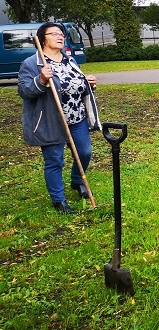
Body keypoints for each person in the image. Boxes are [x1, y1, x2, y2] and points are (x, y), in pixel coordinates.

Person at [17, 23, 100, 214]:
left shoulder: (69, 60)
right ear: (43, 38)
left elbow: (74, 84)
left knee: (85, 152)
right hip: (50, 120)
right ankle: (58, 200)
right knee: (54, 160)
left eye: (61, 33)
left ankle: (77, 181)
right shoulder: (32, 63)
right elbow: (23, 91)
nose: (60, 36)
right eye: (54, 33)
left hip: (76, 118)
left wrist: (88, 84)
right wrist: (41, 80)